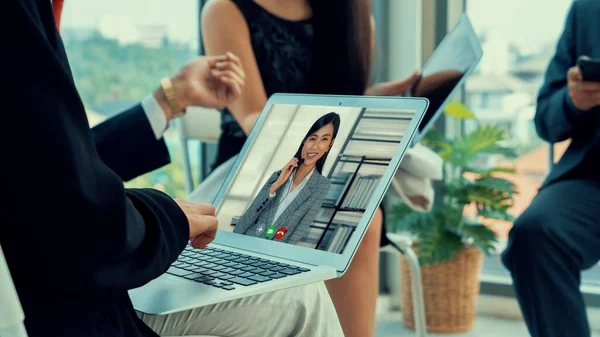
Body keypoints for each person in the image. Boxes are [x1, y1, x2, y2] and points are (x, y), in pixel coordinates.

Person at [1, 1, 344, 337]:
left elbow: (51, 165)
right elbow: (74, 213)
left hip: (48, 287)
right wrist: (167, 216)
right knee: (302, 299)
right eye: (313, 136)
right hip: (63, 307)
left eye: (324, 140)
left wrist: (168, 100)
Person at [201, 1, 419, 335]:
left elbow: (340, 104)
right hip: (251, 166)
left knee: (358, 216)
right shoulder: (225, 11)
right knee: (357, 218)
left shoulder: (353, 17)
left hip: (327, 166)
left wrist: (374, 100)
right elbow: (252, 119)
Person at [501, 1, 600, 337]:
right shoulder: (588, 10)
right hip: (592, 176)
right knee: (536, 233)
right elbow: (545, 118)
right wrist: (574, 100)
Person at [234, 113, 339, 244]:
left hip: (274, 253)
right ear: (304, 141)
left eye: (324, 139)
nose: (315, 146)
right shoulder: (278, 176)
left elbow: (299, 231)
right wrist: (275, 186)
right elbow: (241, 225)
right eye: (312, 138)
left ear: (330, 144)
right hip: (246, 242)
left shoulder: (322, 185)